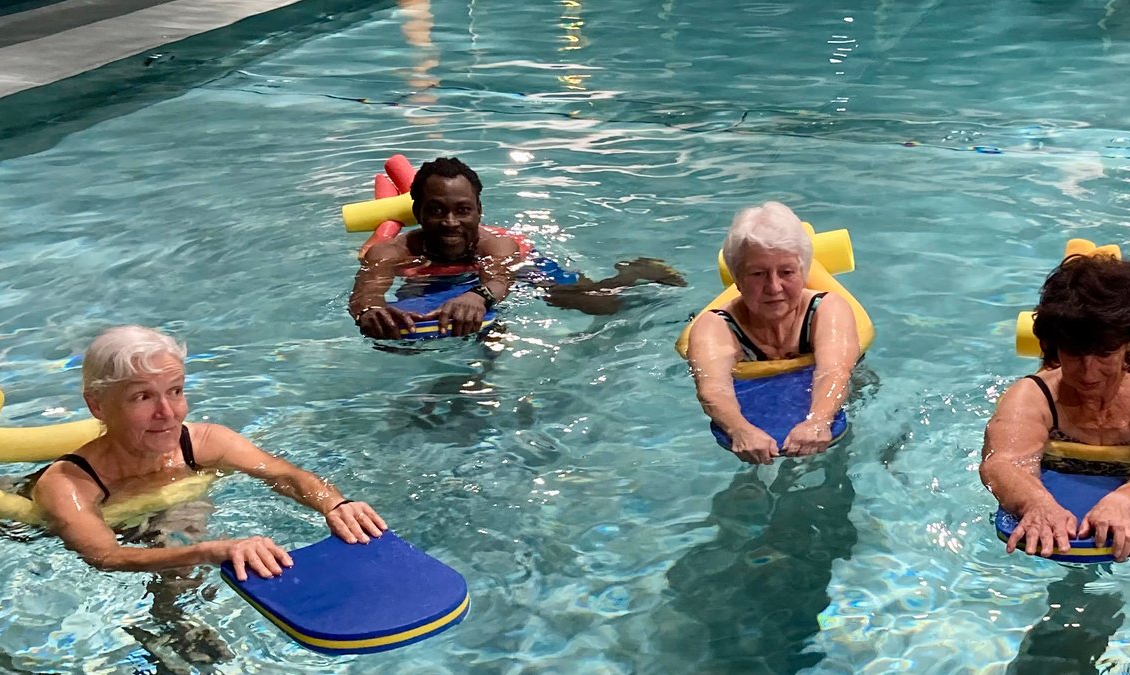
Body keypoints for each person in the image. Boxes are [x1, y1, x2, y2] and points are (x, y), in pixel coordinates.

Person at [31, 326, 387, 580]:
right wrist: (211, 551)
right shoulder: (68, 485)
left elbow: (282, 474)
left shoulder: (205, 443)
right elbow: (107, 557)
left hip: (158, 512)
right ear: (96, 405)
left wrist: (335, 505)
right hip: (29, 530)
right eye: (143, 397)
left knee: (184, 519)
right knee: (185, 532)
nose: (167, 413)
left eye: (175, 391)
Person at [980, 252, 1130, 562]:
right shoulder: (1032, 395)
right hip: (1059, 484)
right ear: (1055, 347)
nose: (1088, 373)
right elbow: (1002, 463)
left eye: (1103, 355)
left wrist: (1125, 501)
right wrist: (1034, 502)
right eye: (1074, 354)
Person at [348, 156, 683, 338]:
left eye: (463, 210)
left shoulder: (497, 245)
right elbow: (365, 294)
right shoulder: (391, 252)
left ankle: (635, 271)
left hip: (515, 268)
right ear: (417, 211)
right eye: (437, 210)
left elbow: (499, 280)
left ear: (479, 211)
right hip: (436, 277)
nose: (451, 222)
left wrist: (478, 296)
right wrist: (370, 312)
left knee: (599, 304)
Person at [682, 201, 860, 465]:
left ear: (803, 272)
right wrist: (739, 429)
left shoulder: (826, 310)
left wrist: (819, 421)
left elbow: (834, 372)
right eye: (758, 274)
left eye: (786, 272)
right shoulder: (714, 327)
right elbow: (713, 388)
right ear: (736, 277)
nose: (774, 287)